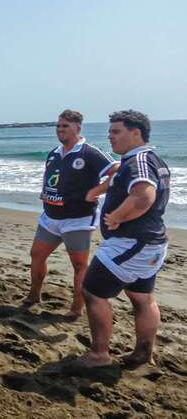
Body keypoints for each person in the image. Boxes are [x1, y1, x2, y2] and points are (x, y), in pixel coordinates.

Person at [79, 110, 170, 368]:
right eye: (109, 131)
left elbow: (144, 196)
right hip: (150, 243)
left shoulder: (138, 160)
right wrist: (99, 191)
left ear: (136, 133)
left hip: (132, 243)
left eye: (116, 131)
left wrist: (117, 216)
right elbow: (126, 184)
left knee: (93, 292)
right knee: (142, 297)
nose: (110, 136)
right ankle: (143, 354)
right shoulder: (151, 159)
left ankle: (99, 355)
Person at [23, 109, 119, 319]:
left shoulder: (89, 152)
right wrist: (46, 191)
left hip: (77, 220)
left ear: (77, 128)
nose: (60, 129)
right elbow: (51, 177)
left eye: (65, 126)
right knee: (37, 255)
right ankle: (34, 295)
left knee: (79, 265)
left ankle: (76, 307)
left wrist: (96, 191)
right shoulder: (54, 153)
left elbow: (117, 171)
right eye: (58, 126)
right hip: (50, 218)